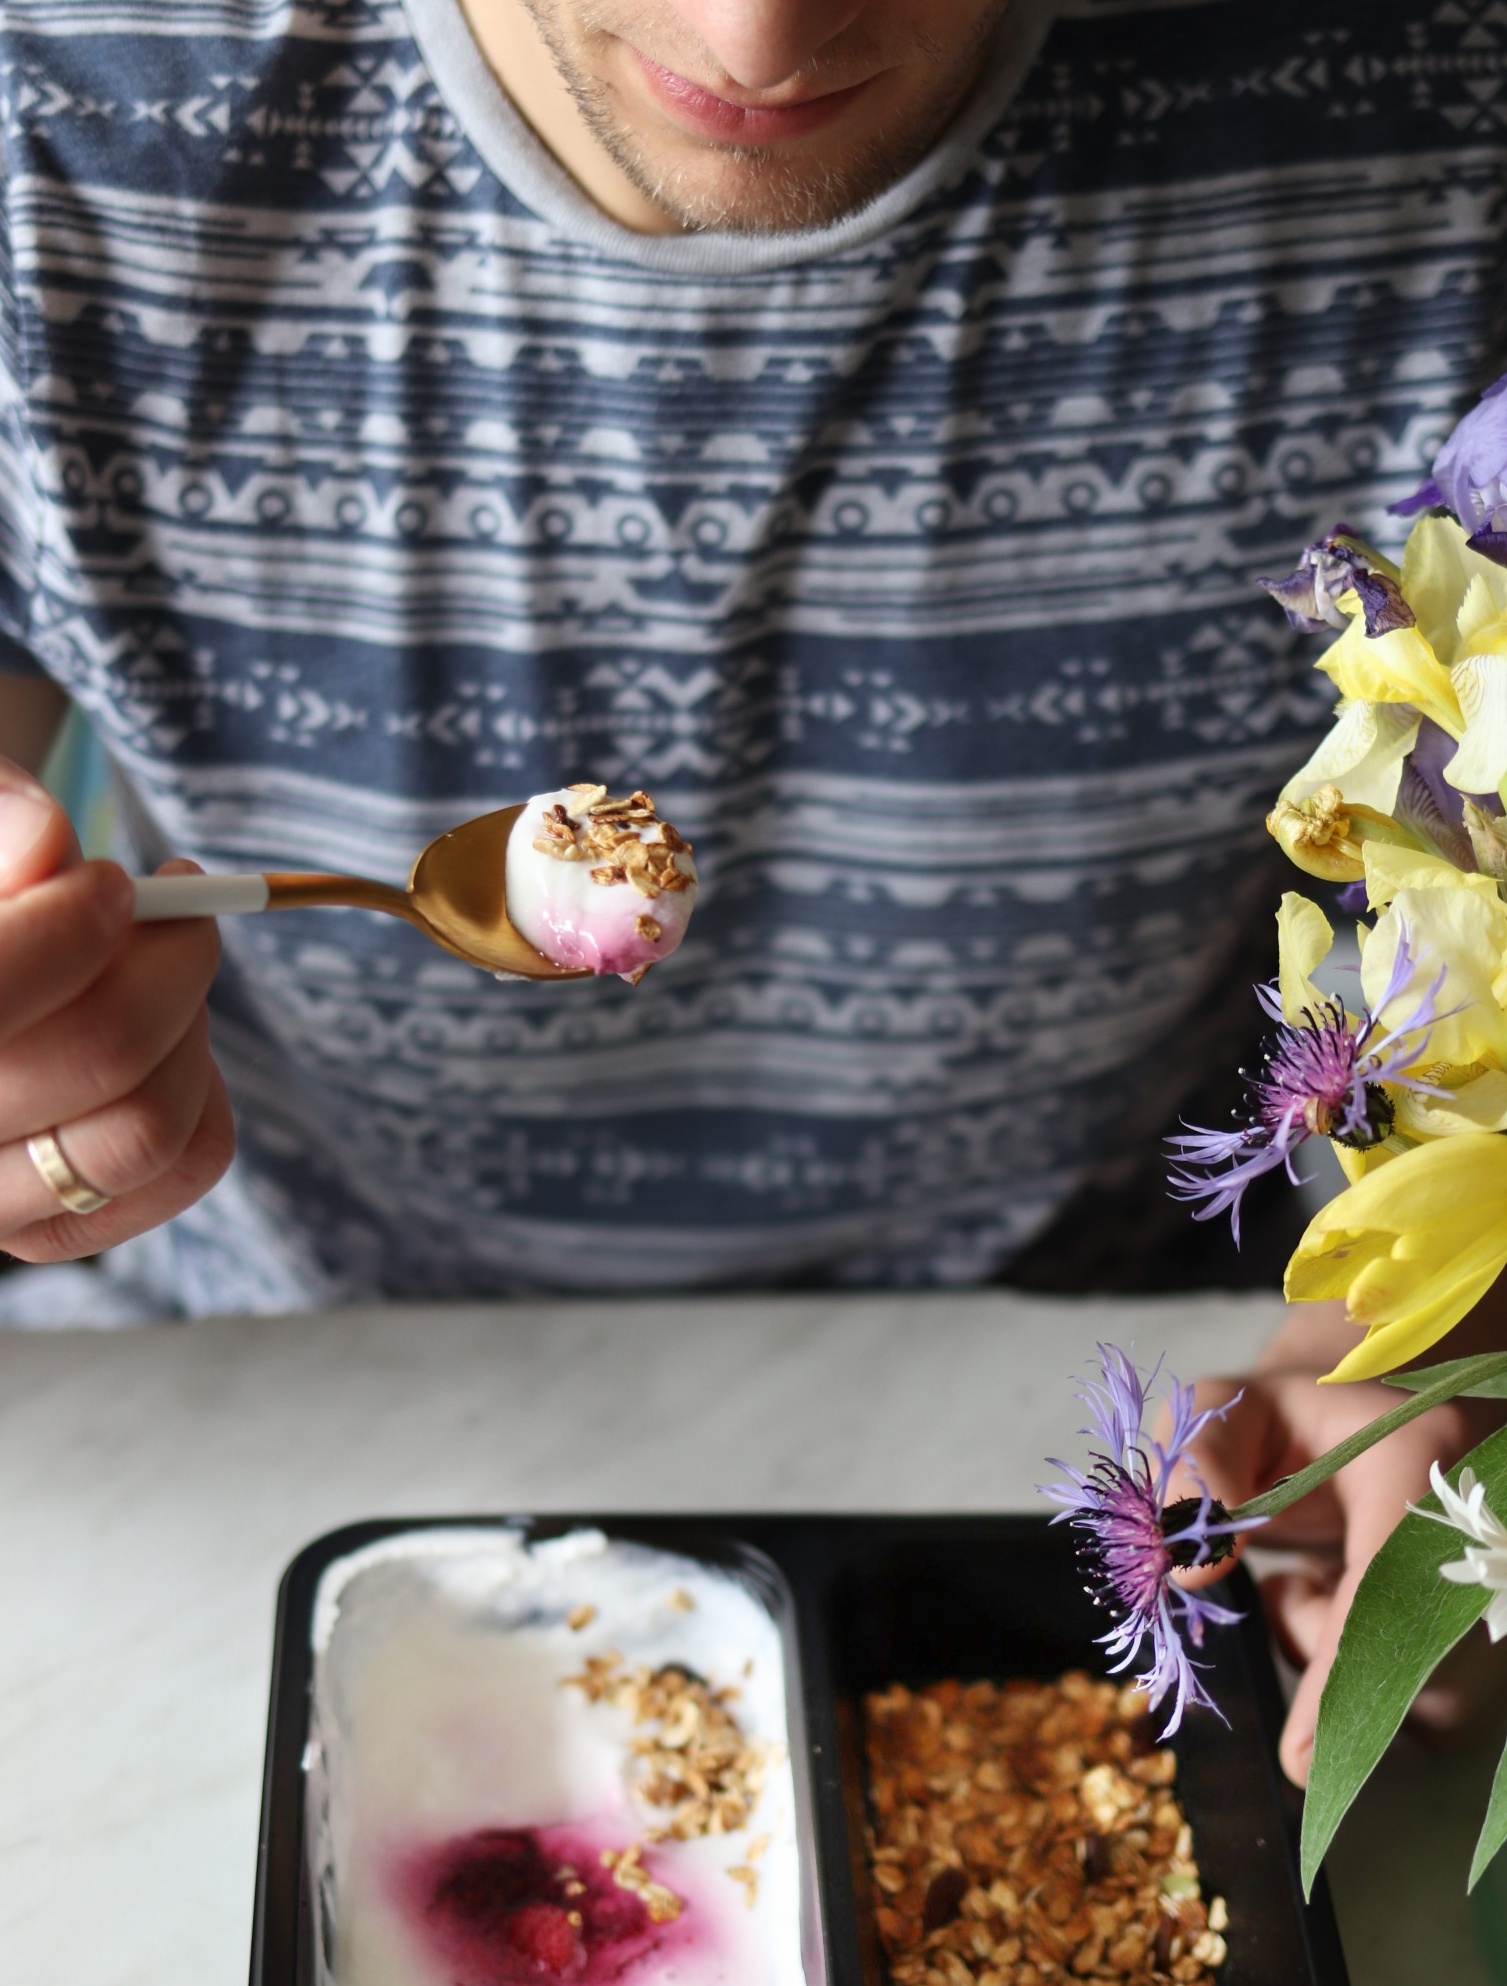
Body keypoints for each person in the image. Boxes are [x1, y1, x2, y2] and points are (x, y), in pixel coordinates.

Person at [0, 0, 1503, 1777]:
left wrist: (1435, 1334)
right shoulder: (61, 105)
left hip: (1117, 1411)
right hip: (234, 1400)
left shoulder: (1437, 110)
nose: (759, 38)